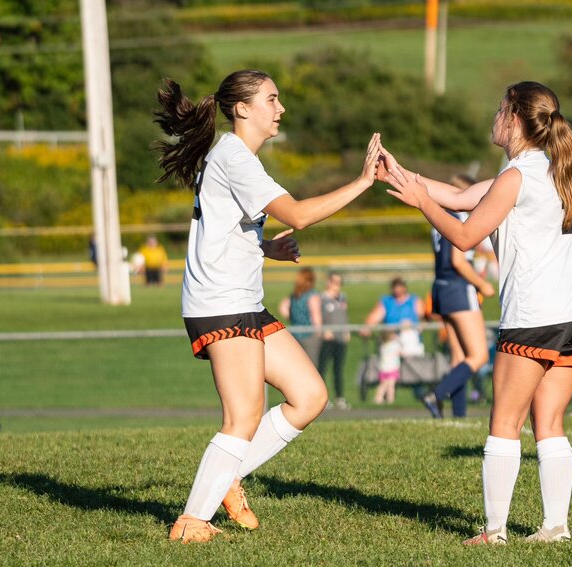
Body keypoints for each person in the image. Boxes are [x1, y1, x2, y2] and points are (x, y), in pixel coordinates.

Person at [153, 69, 382, 543]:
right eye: (272, 100)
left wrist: (264, 249)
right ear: (242, 109)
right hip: (220, 303)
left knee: (309, 395)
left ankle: (226, 479)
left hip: (242, 301)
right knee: (243, 418)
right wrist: (363, 182)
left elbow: (219, 227)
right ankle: (192, 522)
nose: (280, 109)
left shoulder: (236, 157)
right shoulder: (235, 157)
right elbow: (297, 214)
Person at [380, 81, 572, 544]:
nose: (495, 115)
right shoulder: (550, 168)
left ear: (515, 119)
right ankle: (555, 527)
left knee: (505, 422)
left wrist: (420, 202)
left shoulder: (515, 177)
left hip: (536, 315)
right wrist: (402, 175)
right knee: (550, 423)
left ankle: (494, 531)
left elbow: (464, 235)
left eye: (500, 108)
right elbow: (460, 199)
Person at [421, 206, 494, 419]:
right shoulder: (461, 216)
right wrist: (483, 284)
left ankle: (459, 415)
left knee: (459, 357)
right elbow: (458, 260)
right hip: (459, 288)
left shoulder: (440, 216)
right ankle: (436, 394)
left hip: (440, 287)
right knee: (478, 356)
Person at [317, 271, 350, 410]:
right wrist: (324, 330)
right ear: (329, 282)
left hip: (340, 338)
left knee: (338, 369)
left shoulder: (342, 298)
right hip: (327, 338)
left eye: (339, 283)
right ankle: (322, 399)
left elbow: (343, 315)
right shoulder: (321, 298)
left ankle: (340, 398)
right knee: (323, 368)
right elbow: (318, 315)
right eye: (334, 282)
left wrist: (346, 330)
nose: (337, 286)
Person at [279, 267, 322, 364]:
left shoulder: (295, 295)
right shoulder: (312, 295)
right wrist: (319, 333)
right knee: (312, 366)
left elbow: (283, 308)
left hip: (295, 334)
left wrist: (293, 318)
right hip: (309, 335)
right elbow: (316, 316)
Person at [374, 330, 401, 404]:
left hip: (383, 369)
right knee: (391, 386)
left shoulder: (382, 346)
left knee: (383, 385)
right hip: (392, 368)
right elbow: (400, 352)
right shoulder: (394, 345)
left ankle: (378, 398)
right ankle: (390, 399)